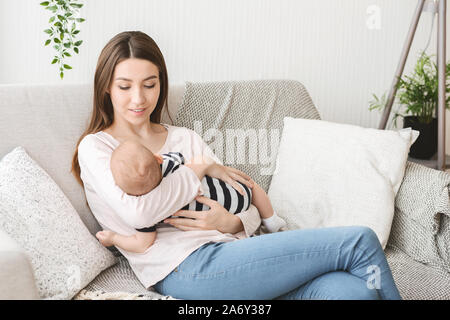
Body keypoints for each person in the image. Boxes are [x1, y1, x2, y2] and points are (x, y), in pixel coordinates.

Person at [71, 31, 402, 300]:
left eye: (149, 84)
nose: (139, 99)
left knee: (354, 292)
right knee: (359, 241)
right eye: (125, 86)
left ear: (162, 83)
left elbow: (240, 195)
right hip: (187, 268)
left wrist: (230, 223)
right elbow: (139, 214)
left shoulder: (185, 139)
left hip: (241, 255)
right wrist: (196, 169)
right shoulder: (97, 147)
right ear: (106, 88)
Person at [95, 140, 287, 253]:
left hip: (231, 223)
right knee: (252, 187)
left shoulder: (149, 208)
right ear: (158, 158)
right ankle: (272, 220)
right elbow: (191, 161)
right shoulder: (170, 162)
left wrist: (114, 238)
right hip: (236, 191)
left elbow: (142, 243)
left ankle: (267, 227)